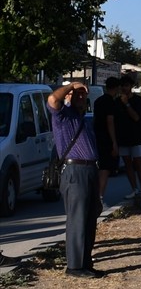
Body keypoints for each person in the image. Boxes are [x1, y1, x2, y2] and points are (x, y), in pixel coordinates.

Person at [46, 81, 105, 278]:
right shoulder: (63, 115)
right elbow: (53, 99)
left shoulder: (83, 119)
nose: (81, 97)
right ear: (69, 96)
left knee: (89, 218)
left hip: (89, 171)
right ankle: (74, 266)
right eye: (77, 94)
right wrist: (72, 85)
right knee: (78, 219)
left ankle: (85, 262)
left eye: (84, 95)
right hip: (74, 170)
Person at [113, 74, 141, 209]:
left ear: (131, 87)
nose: (124, 88)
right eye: (122, 86)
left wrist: (127, 104)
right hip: (123, 137)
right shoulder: (116, 102)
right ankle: (134, 188)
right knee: (127, 164)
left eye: (126, 86)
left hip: (136, 137)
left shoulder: (139, 100)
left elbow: (136, 118)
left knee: (138, 164)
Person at [92, 76, 122, 207]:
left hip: (98, 136)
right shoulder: (111, 102)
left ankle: (97, 196)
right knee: (105, 169)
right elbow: (110, 121)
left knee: (100, 168)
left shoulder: (98, 101)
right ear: (116, 88)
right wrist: (114, 142)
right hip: (107, 138)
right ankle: (99, 198)